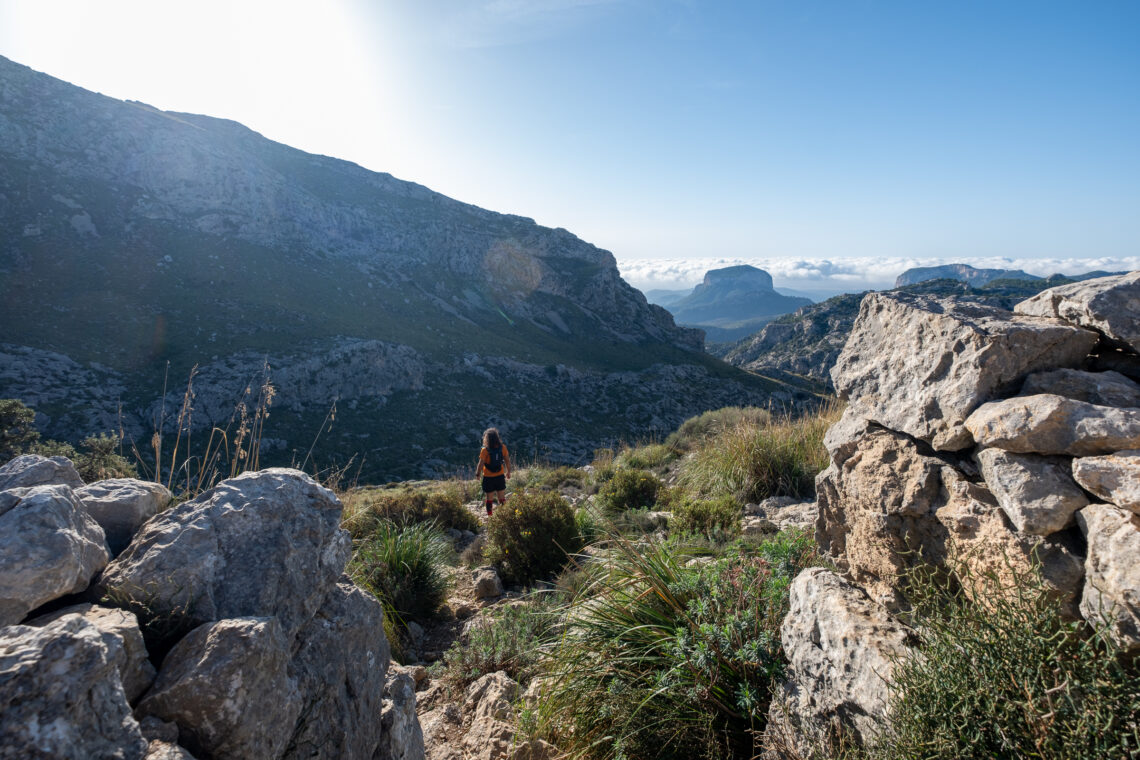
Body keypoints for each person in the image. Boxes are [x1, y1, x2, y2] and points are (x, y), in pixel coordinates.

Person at [475, 427, 510, 516]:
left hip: (488, 477)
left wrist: (478, 474)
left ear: (487, 438)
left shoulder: (485, 450)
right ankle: (504, 516)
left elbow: (480, 464)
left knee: (489, 499)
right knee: (502, 498)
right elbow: (507, 461)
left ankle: (490, 517)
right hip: (500, 476)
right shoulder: (503, 448)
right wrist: (508, 472)